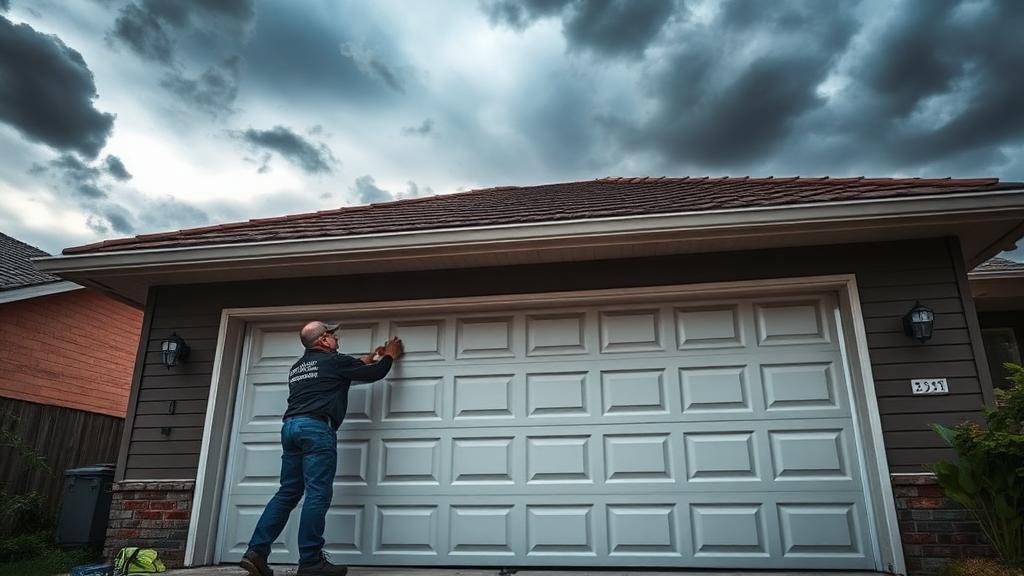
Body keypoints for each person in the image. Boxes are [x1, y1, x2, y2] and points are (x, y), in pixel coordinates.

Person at [241, 321, 403, 576]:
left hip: (291, 428)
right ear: (323, 340)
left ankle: (256, 552)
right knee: (317, 493)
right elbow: (374, 374)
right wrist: (389, 357)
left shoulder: (298, 368)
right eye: (332, 335)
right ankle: (311, 561)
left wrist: (371, 356)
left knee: (288, 492)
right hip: (316, 429)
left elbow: (348, 368)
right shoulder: (335, 361)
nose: (337, 339)